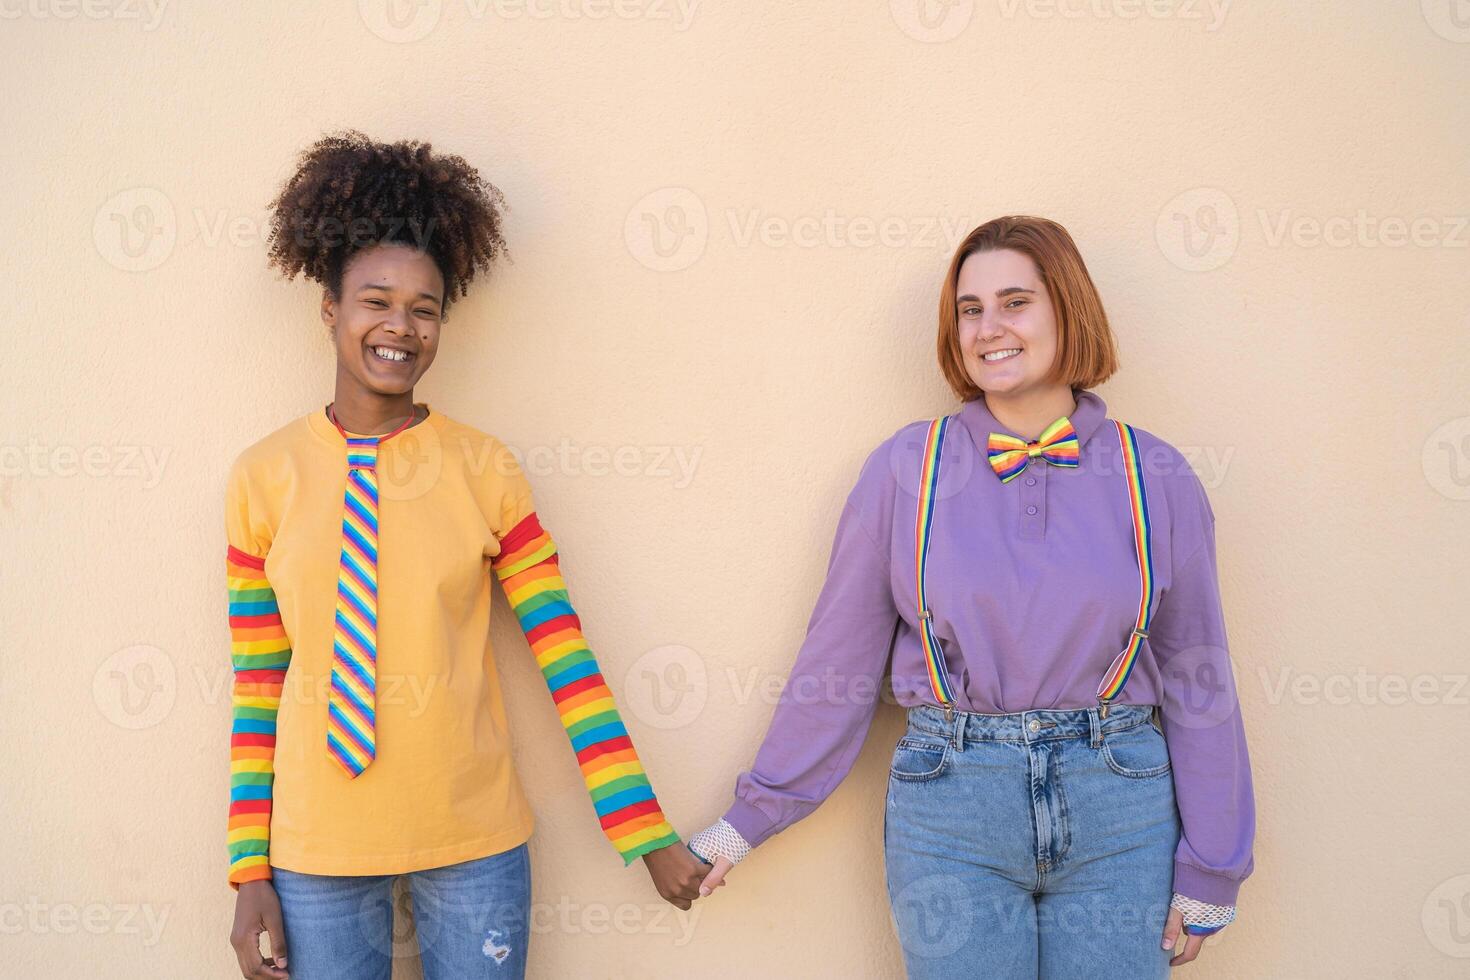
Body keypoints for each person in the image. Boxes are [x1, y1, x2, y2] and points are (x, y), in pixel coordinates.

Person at [689, 215, 1255, 977]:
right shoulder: (906, 469)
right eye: (969, 308)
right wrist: (744, 823)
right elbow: (839, 661)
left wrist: (1214, 862)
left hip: (1120, 802)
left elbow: (1199, 673)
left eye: (1015, 302)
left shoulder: (1155, 474)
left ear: (1069, 311)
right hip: (950, 801)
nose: (989, 328)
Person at [224, 131, 709, 980]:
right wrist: (248, 870)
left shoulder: (486, 468)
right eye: (376, 301)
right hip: (317, 849)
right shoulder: (263, 477)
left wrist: (645, 832)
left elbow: (565, 656)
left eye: (424, 307)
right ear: (330, 309)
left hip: (474, 844)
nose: (400, 328)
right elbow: (259, 682)